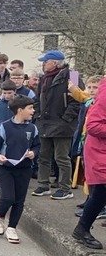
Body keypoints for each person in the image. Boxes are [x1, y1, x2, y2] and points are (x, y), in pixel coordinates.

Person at [0, 95, 41, 244]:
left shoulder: (32, 128)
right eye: (30, 108)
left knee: (19, 200)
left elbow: (37, 145)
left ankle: (12, 227)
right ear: (20, 110)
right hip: (5, 168)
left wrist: (34, 153)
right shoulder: (5, 126)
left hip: (24, 168)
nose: (33, 111)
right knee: (8, 197)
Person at [31, 50, 81, 200]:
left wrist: (65, 119)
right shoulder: (43, 78)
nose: (43, 64)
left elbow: (78, 101)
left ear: (55, 62)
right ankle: (43, 185)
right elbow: (37, 100)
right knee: (43, 156)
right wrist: (37, 115)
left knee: (61, 157)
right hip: (44, 123)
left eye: (46, 61)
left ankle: (65, 188)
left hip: (63, 124)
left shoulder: (73, 76)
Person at [72, 75, 106, 250]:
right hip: (100, 150)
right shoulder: (105, 91)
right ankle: (82, 229)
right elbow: (93, 125)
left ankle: (82, 229)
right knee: (100, 191)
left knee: (100, 193)